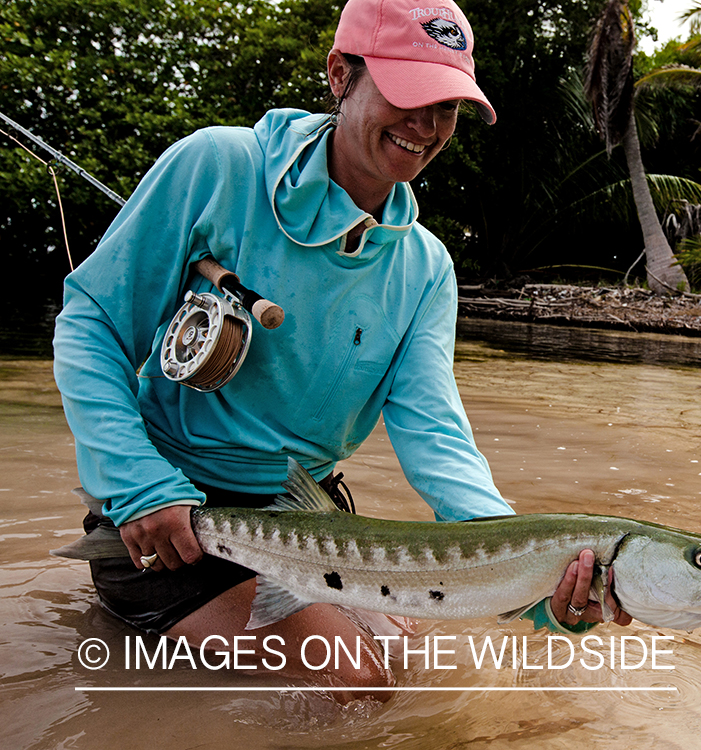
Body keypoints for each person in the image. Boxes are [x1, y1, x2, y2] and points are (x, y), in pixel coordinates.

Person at [53, 0, 629, 696]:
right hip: (175, 518)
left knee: (405, 663)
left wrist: (534, 580)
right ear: (339, 74)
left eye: (446, 105)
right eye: (407, 94)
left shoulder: (426, 267)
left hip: (314, 520)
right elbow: (90, 325)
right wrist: (137, 484)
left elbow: (435, 434)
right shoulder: (216, 165)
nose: (426, 125)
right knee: (356, 683)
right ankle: (134, 606)